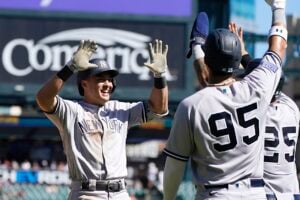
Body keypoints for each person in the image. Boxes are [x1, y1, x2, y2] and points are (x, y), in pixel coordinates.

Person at [163, 0, 288, 199]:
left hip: (216, 193)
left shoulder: (191, 106)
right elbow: (277, 48)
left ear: (207, 60)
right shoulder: (259, 87)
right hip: (255, 193)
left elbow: (174, 168)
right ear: (238, 59)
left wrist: (167, 198)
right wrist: (278, 7)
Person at [36, 39, 169, 199]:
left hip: (120, 193)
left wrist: (159, 76)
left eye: (110, 79)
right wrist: (70, 67)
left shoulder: (121, 109)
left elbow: (158, 108)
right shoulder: (71, 111)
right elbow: (43, 99)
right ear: (84, 84)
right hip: (87, 193)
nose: (108, 84)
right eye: (100, 79)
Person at [229, 22, 300, 200]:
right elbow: (266, 80)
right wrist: (245, 56)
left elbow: (260, 84)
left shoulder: (255, 112)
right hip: (292, 192)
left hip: (264, 192)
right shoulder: (291, 108)